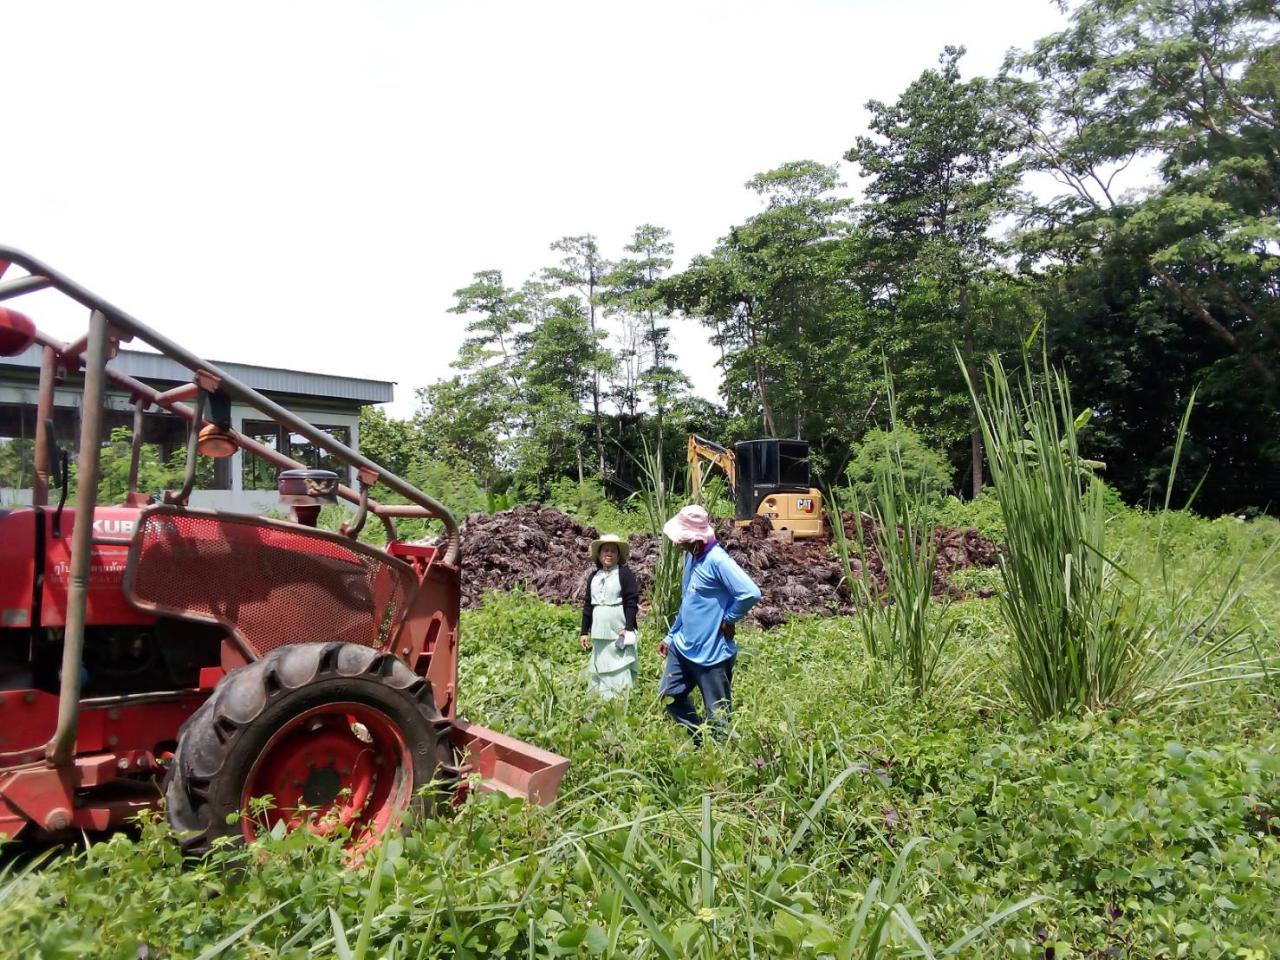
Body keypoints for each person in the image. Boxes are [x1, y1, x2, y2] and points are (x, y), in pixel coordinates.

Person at [658, 504, 761, 743]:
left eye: (682, 539)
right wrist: (671, 636)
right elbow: (689, 602)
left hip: (712, 654)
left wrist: (729, 619)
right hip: (683, 647)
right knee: (669, 695)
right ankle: (698, 736)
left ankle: (718, 756)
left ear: (696, 539)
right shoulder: (692, 557)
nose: (677, 544)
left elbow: (750, 593)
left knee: (719, 716)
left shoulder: (718, 561)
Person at [579, 533, 640, 698]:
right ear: (599, 554)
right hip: (599, 628)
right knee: (601, 660)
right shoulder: (594, 577)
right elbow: (587, 605)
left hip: (618, 628)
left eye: (613, 551)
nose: (609, 554)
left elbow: (631, 602)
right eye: (605, 550)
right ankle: (600, 697)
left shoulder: (624, 573)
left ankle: (619, 697)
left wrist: (628, 628)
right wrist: (584, 631)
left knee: (619, 661)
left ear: (618, 555)